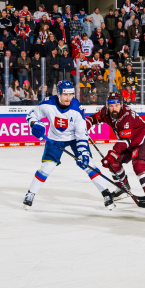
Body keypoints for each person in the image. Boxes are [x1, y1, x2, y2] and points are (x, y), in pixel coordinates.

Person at [23, 80, 115, 210]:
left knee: (89, 164)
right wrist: (34, 124)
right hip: (55, 138)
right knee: (47, 167)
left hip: (74, 139)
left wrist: (83, 153)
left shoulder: (77, 109)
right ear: (59, 93)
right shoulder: (48, 103)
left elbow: (81, 135)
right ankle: (30, 193)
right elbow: (31, 115)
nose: (68, 98)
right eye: (65, 95)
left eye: (71, 94)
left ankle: (106, 193)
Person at [85, 92, 145, 206]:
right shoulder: (105, 111)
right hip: (129, 142)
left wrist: (111, 154)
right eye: (111, 106)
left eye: (116, 105)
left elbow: (125, 140)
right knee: (114, 163)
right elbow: (92, 119)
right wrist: (84, 126)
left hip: (144, 140)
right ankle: (122, 187)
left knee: (138, 164)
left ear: (121, 104)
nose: (114, 108)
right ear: (107, 105)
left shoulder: (126, 115)